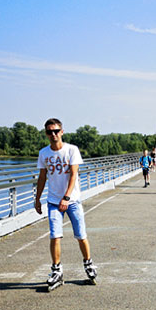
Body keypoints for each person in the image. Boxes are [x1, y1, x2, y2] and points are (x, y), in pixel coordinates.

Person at [35, 118, 97, 290]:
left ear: (62, 132)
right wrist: (37, 199)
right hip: (53, 201)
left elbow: (73, 176)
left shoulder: (72, 150)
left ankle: (88, 263)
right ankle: (56, 270)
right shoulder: (44, 153)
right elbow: (42, 177)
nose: (53, 134)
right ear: (46, 134)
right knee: (55, 235)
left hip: (73, 200)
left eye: (56, 131)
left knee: (80, 235)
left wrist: (67, 198)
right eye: (49, 132)